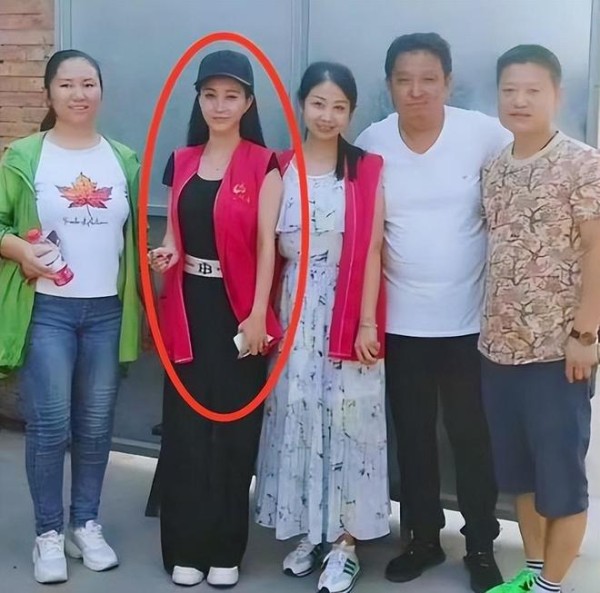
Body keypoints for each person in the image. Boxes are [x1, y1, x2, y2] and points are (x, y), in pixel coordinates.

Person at [355, 32, 512, 592]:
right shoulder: (373, 142)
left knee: (472, 437)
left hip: (470, 323)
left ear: (448, 82)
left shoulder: (483, 134)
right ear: (389, 85)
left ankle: (480, 545)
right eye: (404, 80)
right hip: (402, 324)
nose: (416, 90)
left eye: (428, 79)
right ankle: (421, 539)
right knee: (414, 437)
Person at [0, 49, 142, 584]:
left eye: (88, 83)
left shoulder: (122, 159)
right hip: (47, 311)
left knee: (96, 424)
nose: (79, 94)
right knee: (50, 424)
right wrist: (20, 249)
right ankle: (47, 533)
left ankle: (86, 523)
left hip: (105, 311)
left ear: (101, 91)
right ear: (49, 94)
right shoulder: (25, 155)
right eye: (66, 85)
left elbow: (132, 237)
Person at [149, 49, 283, 588]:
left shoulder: (265, 163)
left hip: (239, 315)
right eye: (210, 95)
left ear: (248, 102)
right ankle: (184, 546)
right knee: (185, 431)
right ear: (198, 100)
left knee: (232, 432)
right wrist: (166, 255)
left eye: (231, 96)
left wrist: (258, 315)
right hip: (187, 311)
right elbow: (173, 233)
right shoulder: (180, 161)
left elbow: (267, 246)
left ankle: (226, 548)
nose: (220, 105)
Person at [255, 61, 389, 593]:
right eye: (318, 104)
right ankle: (311, 530)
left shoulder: (365, 169)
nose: (327, 115)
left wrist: (366, 321)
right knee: (299, 413)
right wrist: (259, 314)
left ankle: (345, 543)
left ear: (351, 112)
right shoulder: (279, 168)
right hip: (295, 307)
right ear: (301, 105)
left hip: (348, 303)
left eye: (339, 107)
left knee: (349, 419)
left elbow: (373, 248)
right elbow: (267, 248)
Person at [481, 45, 600, 593]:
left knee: (562, 483)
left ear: (557, 95)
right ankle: (531, 576)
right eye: (510, 90)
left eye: (533, 90)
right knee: (521, 478)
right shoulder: (495, 168)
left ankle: (551, 586)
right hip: (498, 351)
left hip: (558, 353)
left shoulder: (583, 163)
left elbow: (597, 250)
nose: (520, 100)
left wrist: (586, 334)